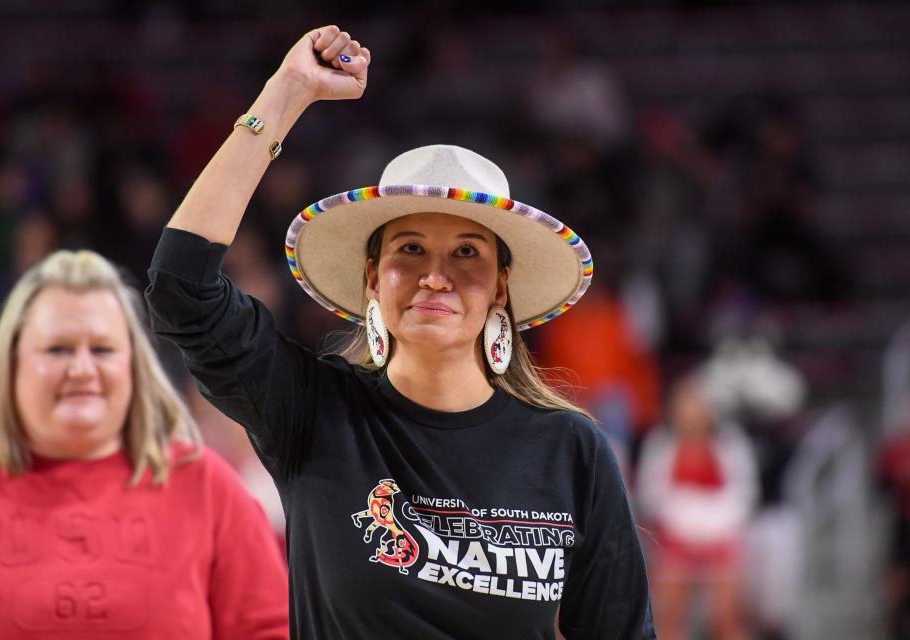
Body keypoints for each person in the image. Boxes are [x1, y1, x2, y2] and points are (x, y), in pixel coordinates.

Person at [145, 25, 654, 639]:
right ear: (371, 279)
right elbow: (181, 290)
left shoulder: (572, 451)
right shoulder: (311, 410)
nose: (435, 276)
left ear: (500, 286)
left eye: (467, 252)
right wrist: (285, 95)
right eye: (410, 249)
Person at [0, 249, 289, 639]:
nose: (81, 369)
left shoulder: (206, 486)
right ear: (11, 365)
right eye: (57, 349)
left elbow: (268, 629)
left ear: (134, 367)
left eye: (102, 350)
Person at [636, 376, 758, 640]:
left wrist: (708, 523)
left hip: (721, 539)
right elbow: (651, 496)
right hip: (675, 540)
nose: (690, 414)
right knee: (668, 614)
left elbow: (744, 496)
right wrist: (687, 520)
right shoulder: (660, 445)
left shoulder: (731, 445)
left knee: (726, 617)